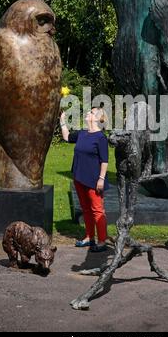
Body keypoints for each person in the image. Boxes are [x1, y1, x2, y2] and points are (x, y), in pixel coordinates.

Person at [60, 107, 109, 252]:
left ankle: (101, 241)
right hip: (79, 177)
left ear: (97, 119)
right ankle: (89, 237)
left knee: (97, 210)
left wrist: (101, 179)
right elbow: (67, 137)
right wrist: (62, 120)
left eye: (91, 112)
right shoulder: (82, 133)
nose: (88, 113)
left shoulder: (101, 138)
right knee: (86, 209)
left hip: (94, 180)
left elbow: (104, 161)